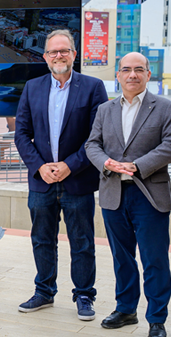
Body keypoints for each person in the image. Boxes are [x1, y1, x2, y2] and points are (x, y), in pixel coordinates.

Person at [85, 52, 171, 337]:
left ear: (148, 74)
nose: (132, 75)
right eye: (126, 70)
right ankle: (126, 309)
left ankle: (157, 319)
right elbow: (92, 144)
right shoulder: (105, 109)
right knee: (122, 258)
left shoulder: (165, 107)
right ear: (118, 75)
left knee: (154, 260)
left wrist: (139, 165)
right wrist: (108, 163)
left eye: (139, 70)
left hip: (149, 195)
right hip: (114, 193)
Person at [14, 29, 107, 321]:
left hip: (77, 180)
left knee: (82, 241)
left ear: (74, 54)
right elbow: (21, 134)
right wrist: (40, 166)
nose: (59, 56)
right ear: (45, 57)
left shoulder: (93, 87)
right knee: (42, 239)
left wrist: (70, 165)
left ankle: (84, 296)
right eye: (53, 52)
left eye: (64, 50)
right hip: (41, 181)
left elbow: (97, 135)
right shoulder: (32, 87)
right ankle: (44, 292)